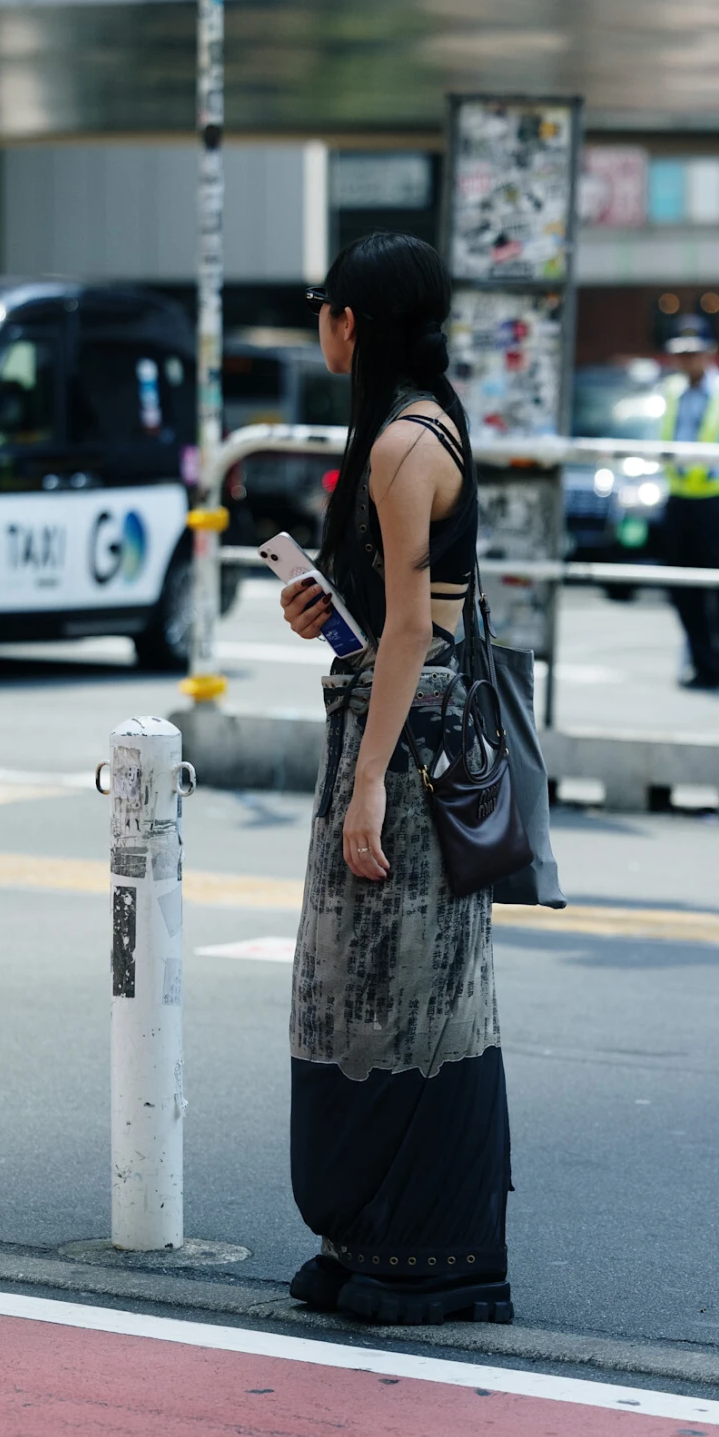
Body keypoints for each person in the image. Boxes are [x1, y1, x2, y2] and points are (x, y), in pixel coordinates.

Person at [278, 231, 512, 1327]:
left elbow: (416, 630)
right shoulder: (412, 424)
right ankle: (367, 1236)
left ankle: (432, 1254)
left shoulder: (403, 443)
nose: (320, 325)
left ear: (353, 322)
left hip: (409, 747)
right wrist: (325, 613)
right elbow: (396, 618)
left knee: (402, 977)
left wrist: (369, 781)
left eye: (325, 308)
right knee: (376, 974)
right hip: (400, 722)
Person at [659, 316, 719, 695]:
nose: (688, 360)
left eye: (694, 352)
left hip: (717, 504)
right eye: (682, 353)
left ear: (710, 352)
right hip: (680, 502)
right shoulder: (672, 391)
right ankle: (705, 668)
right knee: (684, 591)